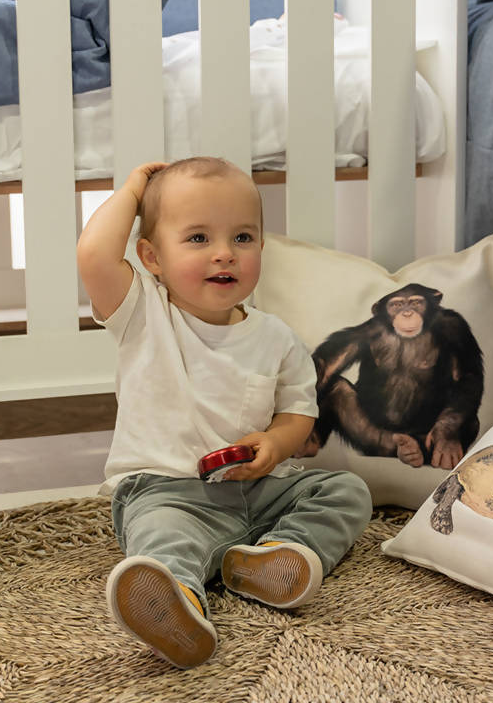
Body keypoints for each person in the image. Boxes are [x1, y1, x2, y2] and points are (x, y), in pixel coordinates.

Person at [77, 156, 373, 669]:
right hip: (167, 491)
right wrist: (133, 190)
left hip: (259, 489)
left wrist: (276, 444)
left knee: (346, 491)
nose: (224, 254)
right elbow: (94, 254)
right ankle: (177, 602)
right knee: (162, 537)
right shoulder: (143, 314)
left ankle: (272, 557)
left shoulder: (277, 337)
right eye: (198, 238)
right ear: (151, 256)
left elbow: (298, 412)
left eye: (242, 237)